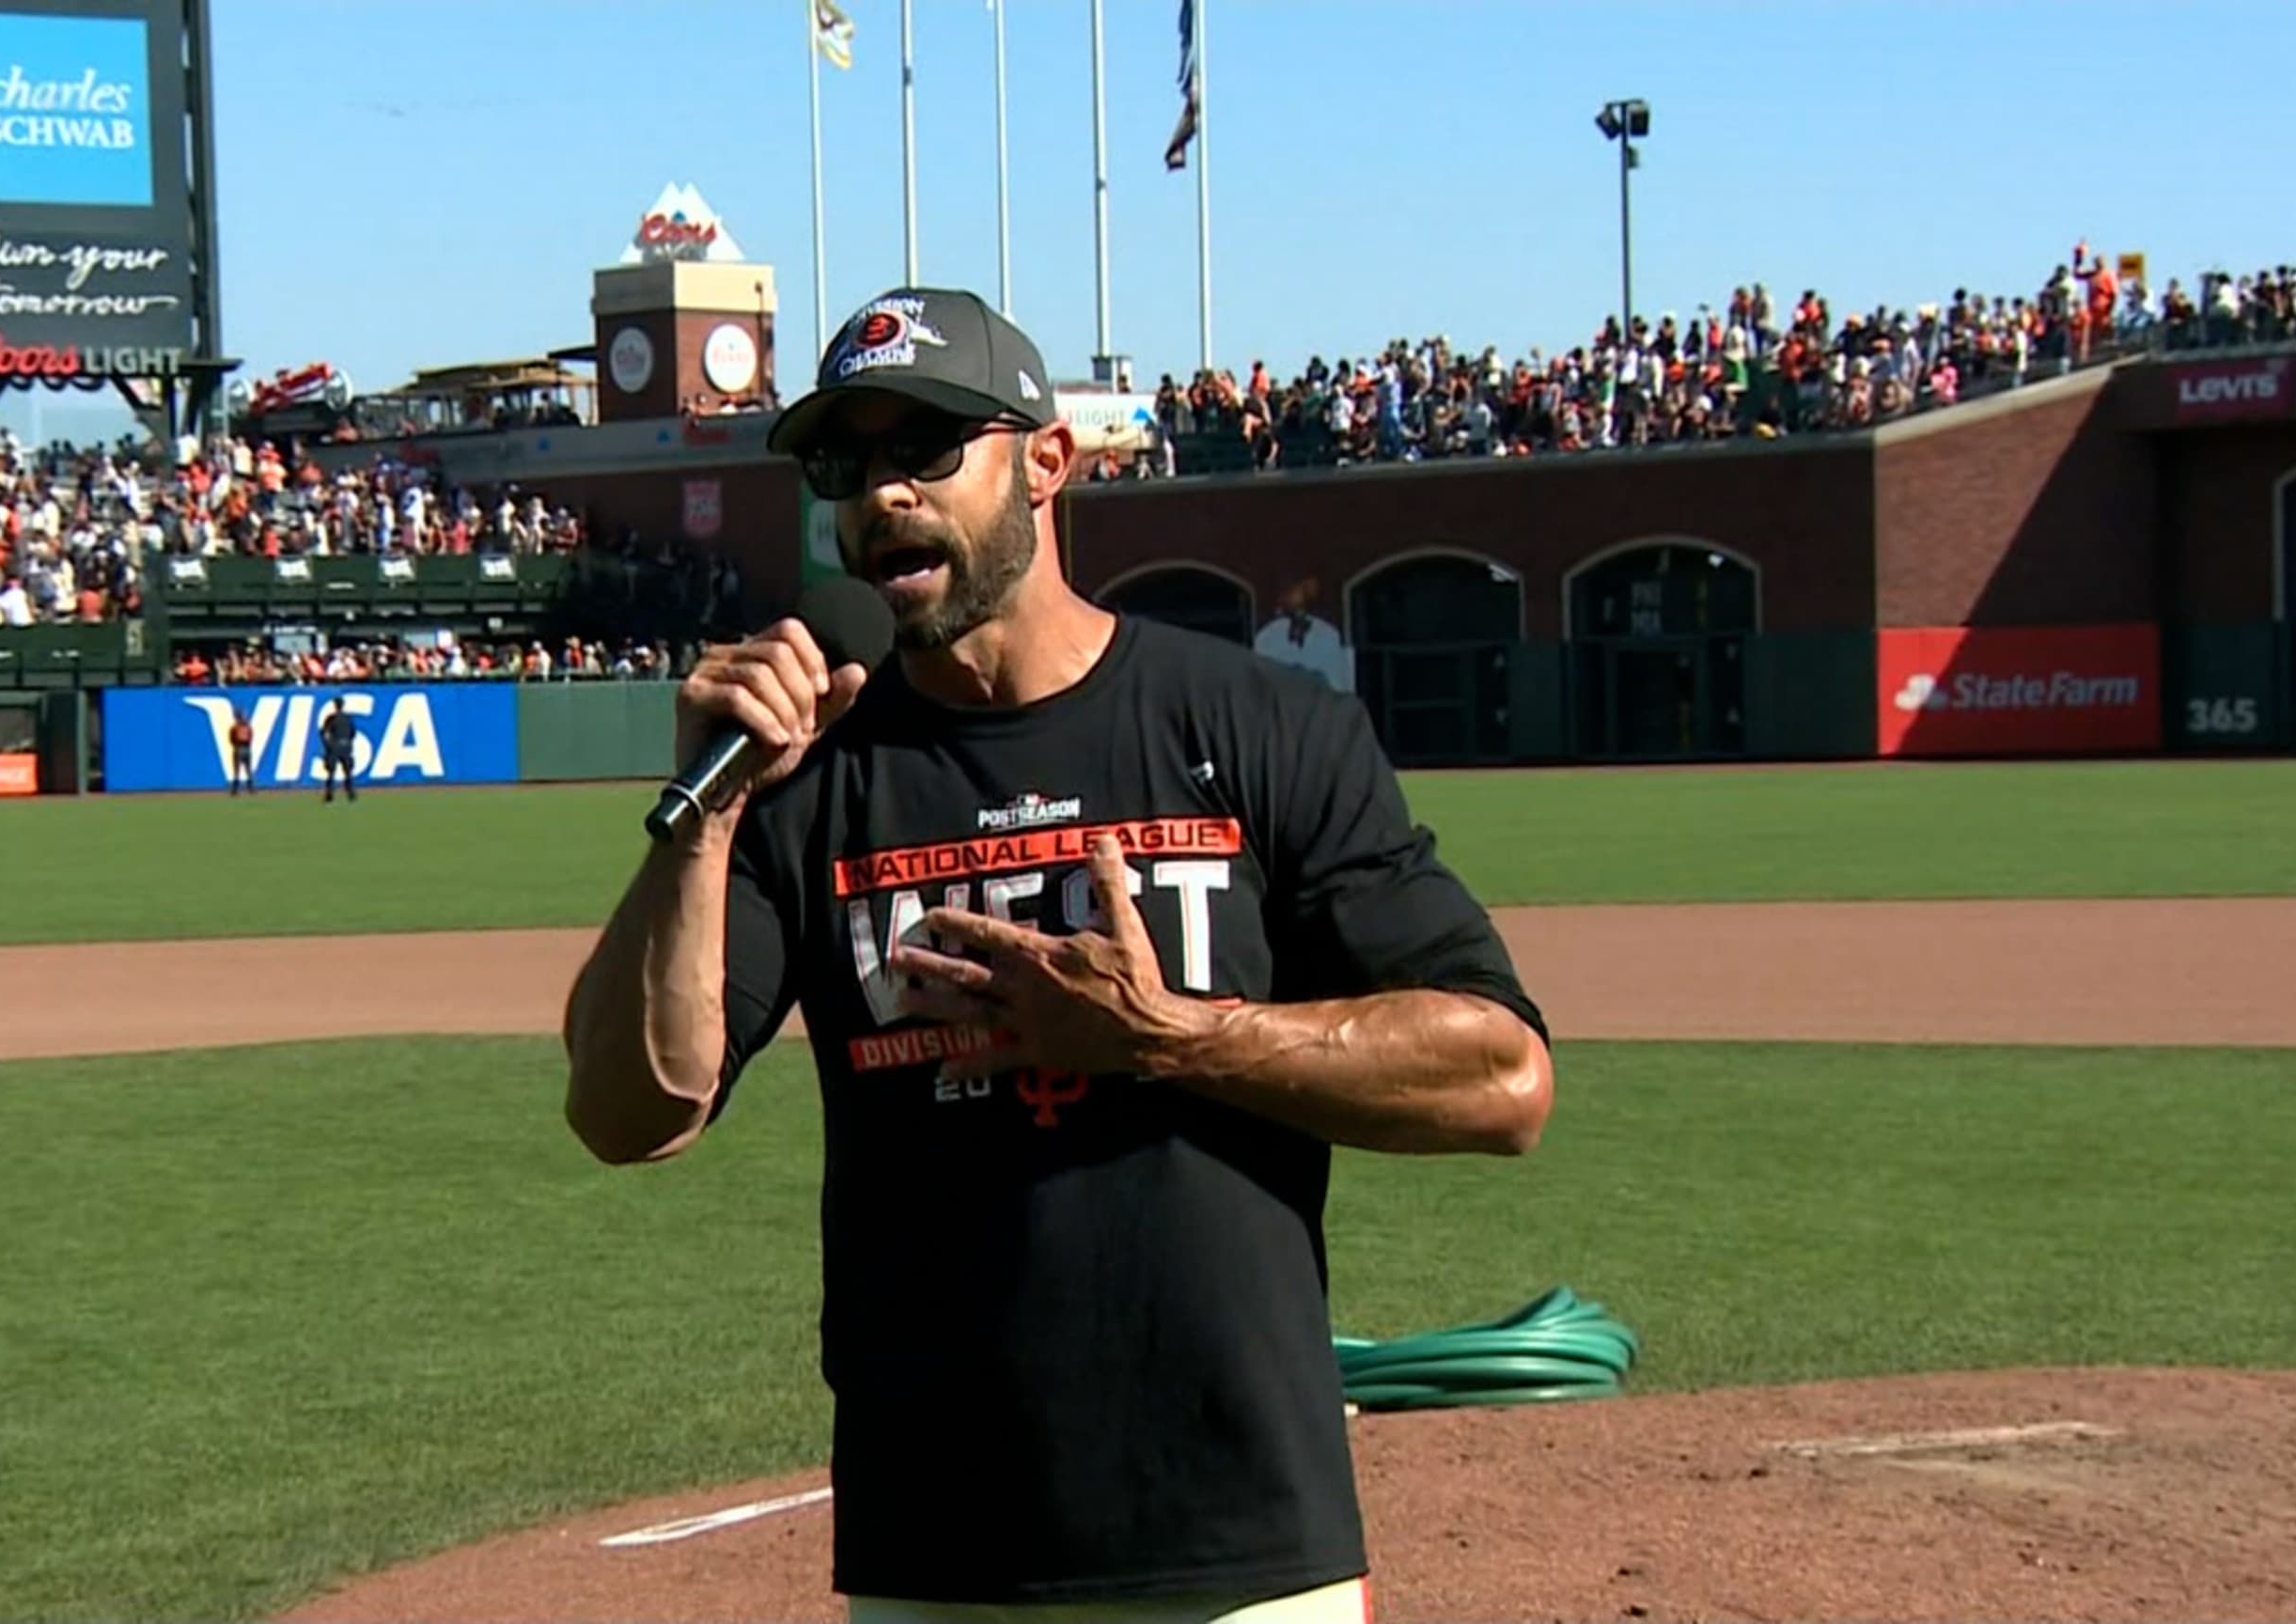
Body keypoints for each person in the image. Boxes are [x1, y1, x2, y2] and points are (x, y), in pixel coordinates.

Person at [561, 288, 1554, 1624]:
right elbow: (631, 1113)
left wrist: (1168, 1037)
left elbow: (1503, 1082)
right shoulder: (805, 783)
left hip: (1242, 1545)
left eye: (926, 451)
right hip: (940, 1553)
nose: (882, 495)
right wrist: (702, 825)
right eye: (847, 467)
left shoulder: (1261, 729)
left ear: (1045, 465)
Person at [316, 699, 358, 803]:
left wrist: (327, 745)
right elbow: (353, 733)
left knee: (331, 772)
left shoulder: (331, 718)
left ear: (335, 706)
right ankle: (351, 793)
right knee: (348, 772)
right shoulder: (348, 718)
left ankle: (329, 795)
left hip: (334, 746)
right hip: (346, 746)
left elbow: (323, 732)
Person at [228, 705, 257, 796]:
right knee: (248, 770)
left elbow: (231, 738)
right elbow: (251, 737)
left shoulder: (235, 727)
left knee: (237, 770)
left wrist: (236, 745)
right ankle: (251, 789)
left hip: (238, 748)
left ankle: (235, 790)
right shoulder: (247, 727)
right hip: (246, 748)